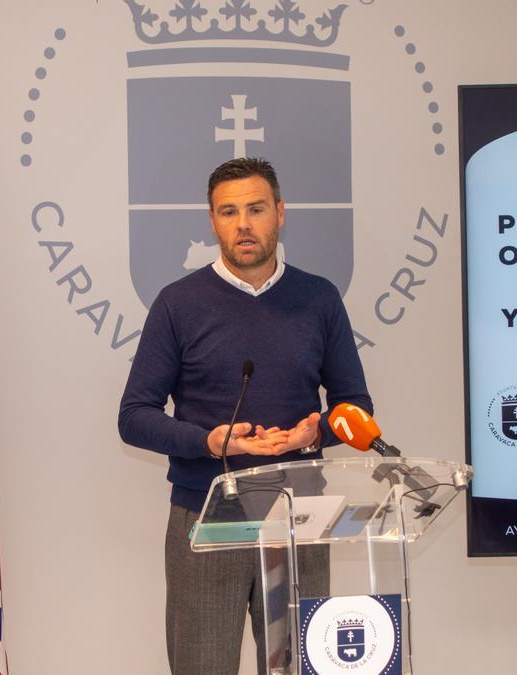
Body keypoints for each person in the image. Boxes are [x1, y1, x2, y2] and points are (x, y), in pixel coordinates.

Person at [118, 157, 373, 674]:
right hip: (208, 514)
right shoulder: (177, 304)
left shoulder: (319, 298)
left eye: (256, 209)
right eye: (228, 212)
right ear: (212, 222)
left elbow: (356, 406)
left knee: (302, 666)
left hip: (299, 513)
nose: (243, 225)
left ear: (280, 213)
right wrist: (212, 442)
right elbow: (134, 416)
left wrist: (316, 430)